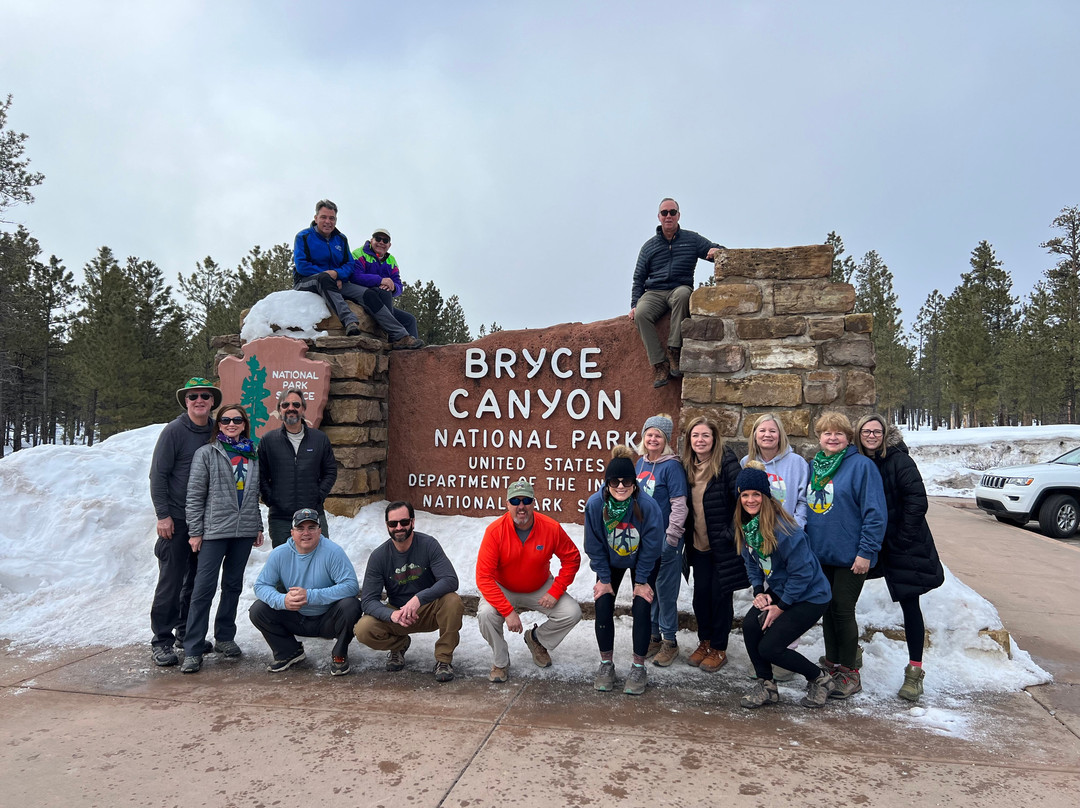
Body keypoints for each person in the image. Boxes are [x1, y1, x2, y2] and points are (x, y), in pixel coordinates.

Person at [855, 413, 944, 702]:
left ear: (884, 434)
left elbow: (917, 502)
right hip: (870, 542)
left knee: (910, 602)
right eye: (866, 431)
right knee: (842, 595)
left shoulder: (899, 460)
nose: (871, 436)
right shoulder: (855, 462)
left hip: (903, 543)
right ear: (859, 434)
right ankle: (847, 656)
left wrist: (899, 539)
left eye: (876, 431)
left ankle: (915, 672)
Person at [734, 462, 837, 709]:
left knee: (771, 647)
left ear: (766, 496)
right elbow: (751, 563)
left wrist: (781, 606)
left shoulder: (786, 530)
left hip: (811, 595)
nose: (750, 500)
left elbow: (802, 574)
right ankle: (767, 686)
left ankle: (820, 679)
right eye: (745, 495)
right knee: (751, 624)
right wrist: (759, 592)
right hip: (783, 588)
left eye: (756, 494)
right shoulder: (747, 526)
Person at [804, 411, 887, 700]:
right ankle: (831, 664)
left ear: (848, 437)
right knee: (826, 608)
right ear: (819, 438)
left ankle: (849, 672)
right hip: (819, 554)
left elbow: (875, 512)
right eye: (827, 433)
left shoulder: (861, 466)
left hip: (852, 556)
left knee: (842, 609)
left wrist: (867, 551)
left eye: (838, 433)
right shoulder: (814, 465)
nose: (832, 437)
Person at [180, 404, 265, 673]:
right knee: (203, 589)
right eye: (225, 420)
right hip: (214, 531)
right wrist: (195, 531)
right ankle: (193, 648)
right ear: (219, 424)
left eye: (236, 420)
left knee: (232, 586)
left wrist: (258, 525)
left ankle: (225, 637)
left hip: (243, 531)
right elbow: (194, 496)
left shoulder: (251, 454)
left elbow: (254, 494)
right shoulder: (207, 453)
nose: (231, 424)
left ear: (244, 424)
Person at [476, 478, 582, 683]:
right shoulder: (495, 531)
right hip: (503, 587)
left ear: (534, 503)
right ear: (507, 504)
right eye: (515, 501)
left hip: (539, 586)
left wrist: (555, 590)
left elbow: (572, 558)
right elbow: (483, 576)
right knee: (486, 614)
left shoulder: (550, 527)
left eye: (526, 501)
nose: (521, 506)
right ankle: (500, 662)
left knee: (572, 612)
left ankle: (537, 640)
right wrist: (507, 611)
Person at [148, 377, 221, 667]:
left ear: (212, 401)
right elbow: (158, 475)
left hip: (206, 521)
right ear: (186, 402)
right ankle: (161, 641)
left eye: (205, 395)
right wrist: (163, 515)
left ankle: (185, 632)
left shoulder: (217, 431)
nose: (199, 400)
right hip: (177, 520)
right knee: (171, 581)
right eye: (193, 397)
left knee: (195, 581)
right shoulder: (174, 432)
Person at [354, 501, 464, 682]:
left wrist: (419, 598)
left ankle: (443, 660)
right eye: (393, 523)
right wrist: (392, 615)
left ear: (412, 522)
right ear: (387, 526)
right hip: (398, 613)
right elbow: (368, 600)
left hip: (429, 610)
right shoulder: (379, 556)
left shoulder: (428, 545)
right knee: (363, 629)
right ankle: (400, 645)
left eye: (404, 522)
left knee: (453, 601)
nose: (399, 527)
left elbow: (450, 580)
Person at [585, 446, 665, 695]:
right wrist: (604, 579)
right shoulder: (596, 504)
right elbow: (594, 545)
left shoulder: (648, 506)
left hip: (643, 559)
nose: (621, 486)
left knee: (642, 605)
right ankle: (606, 664)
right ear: (607, 482)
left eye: (627, 480)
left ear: (635, 482)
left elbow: (652, 547)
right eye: (615, 481)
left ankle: (638, 667)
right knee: (602, 602)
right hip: (609, 559)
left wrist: (641, 580)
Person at [249, 508, 361, 675]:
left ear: (320, 531)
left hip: (328, 619)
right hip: (295, 617)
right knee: (258, 609)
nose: (306, 533)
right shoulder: (279, 554)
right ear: (292, 532)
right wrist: (282, 600)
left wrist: (311, 595)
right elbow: (261, 585)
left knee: (352, 606)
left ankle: (340, 653)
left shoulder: (333, 552)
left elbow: (351, 585)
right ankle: (288, 651)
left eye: (311, 528)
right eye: (300, 528)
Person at [629, 198, 723, 388]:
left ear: (679, 215)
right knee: (641, 313)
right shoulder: (649, 247)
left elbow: (716, 250)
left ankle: (674, 350)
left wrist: (718, 251)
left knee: (682, 296)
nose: (668, 216)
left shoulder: (691, 239)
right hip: (654, 291)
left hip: (679, 287)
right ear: (659, 217)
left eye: (672, 212)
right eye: (665, 213)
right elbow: (639, 278)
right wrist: (633, 304)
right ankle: (660, 363)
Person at [680, 415, 749, 672]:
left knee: (720, 598)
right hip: (698, 546)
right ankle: (705, 642)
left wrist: (729, 533)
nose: (700, 440)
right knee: (701, 597)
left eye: (705, 435)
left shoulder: (727, 463)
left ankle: (719, 648)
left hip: (723, 547)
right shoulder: (687, 466)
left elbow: (744, 502)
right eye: (695, 435)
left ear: (714, 439)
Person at [633, 414, 688, 667]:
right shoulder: (640, 464)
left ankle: (670, 641)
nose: (653, 439)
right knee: (649, 590)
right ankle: (653, 636)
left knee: (666, 593)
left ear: (665, 440)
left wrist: (672, 537)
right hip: (644, 544)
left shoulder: (672, 467)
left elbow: (679, 505)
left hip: (667, 542)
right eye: (650, 434)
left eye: (659, 435)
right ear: (644, 437)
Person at [258, 388, 337, 548]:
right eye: (285, 404)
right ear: (279, 409)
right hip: (281, 518)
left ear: (303, 408)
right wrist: (271, 498)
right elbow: (260, 475)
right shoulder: (269, 440)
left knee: (319, 563)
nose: (291, 408)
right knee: (285, 566)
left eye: (296, 404)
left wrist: (318, 495)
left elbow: (330, 471)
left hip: (313, 515)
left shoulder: (319, 439)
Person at [292, 199, 363, 337]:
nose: (327, 221)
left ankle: (395, 334)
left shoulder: (341, 239)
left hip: (334, 281)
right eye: (323, 217)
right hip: (305, 281)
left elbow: (350, 264)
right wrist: (328, 276)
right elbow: (302, 266)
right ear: (316, 218)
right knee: (324, 278)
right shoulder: (303, 237)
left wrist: (337, 274)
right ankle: (349, 321)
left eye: (332, 218)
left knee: (368, 294)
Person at [349, 227, 423, 348]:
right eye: (378, 238)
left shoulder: (391, 260)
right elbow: (355, 277)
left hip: (383, 301)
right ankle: (394, 338)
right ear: (371, 240)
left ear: (389, 245)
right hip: (364, 297)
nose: (381, 242)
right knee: (384, 292)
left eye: (385, 240)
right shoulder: (358, 254)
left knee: (410, 319)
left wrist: (393, 287)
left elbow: (399, 286)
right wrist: (380, 280)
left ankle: (413, 354)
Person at [741, 413, 809, 527]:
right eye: (762, 430)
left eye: (772, 431)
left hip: (788, 532)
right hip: (757, 533)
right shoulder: (746, 462)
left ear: (780, 435)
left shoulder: (797, 463)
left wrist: (796, 527)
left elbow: (804, 500)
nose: (767, 435)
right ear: (755, 435)